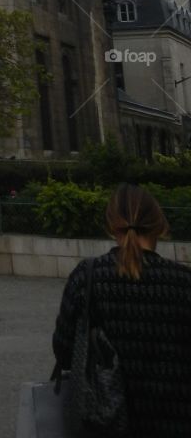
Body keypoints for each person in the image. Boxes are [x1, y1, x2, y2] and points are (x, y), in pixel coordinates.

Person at [52, 183, 191, 437]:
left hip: (107, 424)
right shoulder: (184, 281)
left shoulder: (88, 277)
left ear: (111, 226)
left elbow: (63, 348)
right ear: (160, 225)